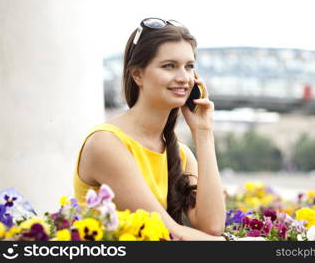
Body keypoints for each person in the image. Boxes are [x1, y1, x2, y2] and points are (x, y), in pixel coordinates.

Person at [73, 18, 226, 240]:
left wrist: (203, 133)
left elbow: (211, 227)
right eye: (169, 66)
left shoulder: (181, 155)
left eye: (189, 66)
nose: (184, 78)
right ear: (137, 75)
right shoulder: (106, 143)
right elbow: (167, 232)